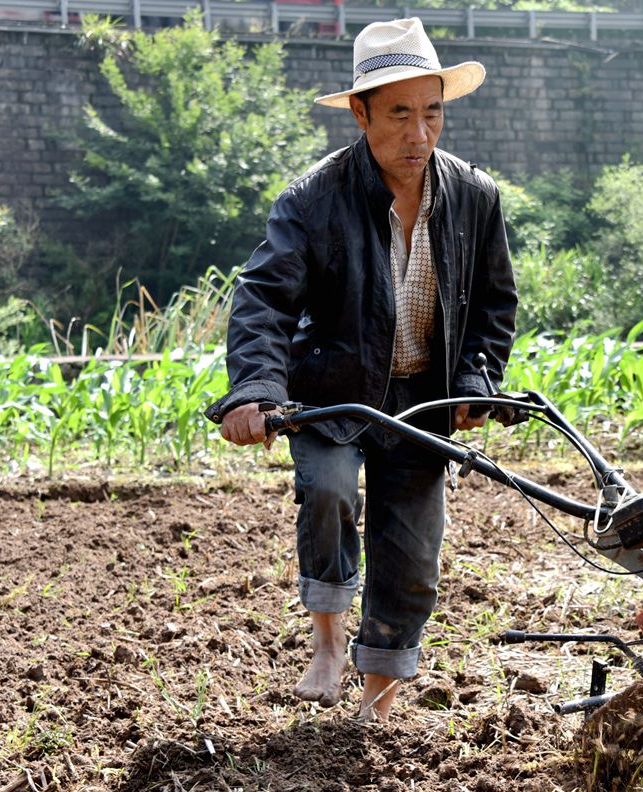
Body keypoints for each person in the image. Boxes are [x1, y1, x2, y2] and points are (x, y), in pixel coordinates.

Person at [205, 17, 516, 721]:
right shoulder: (313, 199)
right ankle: (326, 641)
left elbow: (494, 305)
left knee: (410, 549)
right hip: (333, 388)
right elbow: (263, 298)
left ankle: (375, 706)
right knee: (330, 489)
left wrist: (476, 380)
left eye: (432, 112)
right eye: (400, 114)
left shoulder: (473, 197)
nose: (419, 134)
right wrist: (255, 387)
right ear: (360, 112)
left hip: (422, 399)